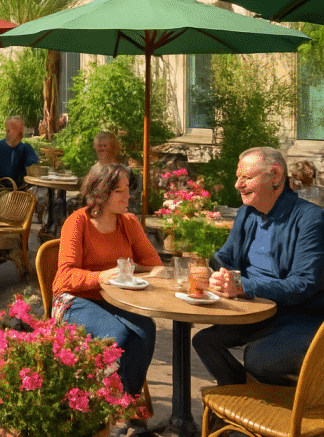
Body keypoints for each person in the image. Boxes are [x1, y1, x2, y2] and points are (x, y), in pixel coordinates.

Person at [192, 147, 324, 386]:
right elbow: (225, 257)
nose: (237, 184)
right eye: (237, 176)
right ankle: (239, 400)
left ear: (275, 176)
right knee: (204, 341)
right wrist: (213, 272)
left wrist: (244, 286)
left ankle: (289, 410)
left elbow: (304, 284)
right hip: (256, 312)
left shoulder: (310, 219)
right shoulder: (247, 212)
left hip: (297, 317)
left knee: (257, 359)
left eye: (247, 177)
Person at [53, 162, 163, 403]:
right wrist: (104, 276)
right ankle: (101, 403)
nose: (128, 196)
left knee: (145, 331)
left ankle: (123, 404)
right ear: (101, 192)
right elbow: (64, 277)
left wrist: (142, 270)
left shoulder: (128, 222)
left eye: (127, 190)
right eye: (120, 191)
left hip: (119, 299)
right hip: (75, 299)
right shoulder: (77, 222)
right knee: (116, 334)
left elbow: (155, 264)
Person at [0, 115, 39, 188]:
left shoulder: (26, 148)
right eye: (10, 129)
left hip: (22, 190)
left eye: (19, 129)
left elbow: (34, 167)